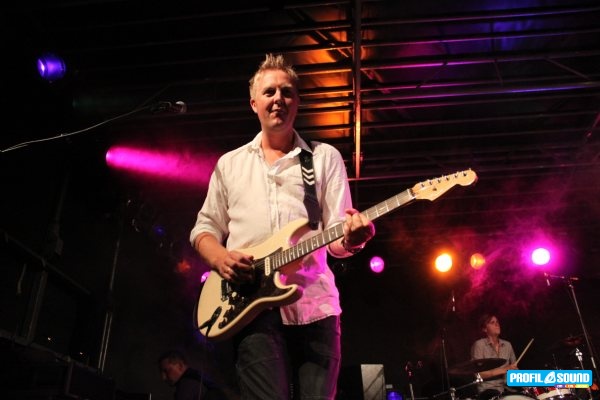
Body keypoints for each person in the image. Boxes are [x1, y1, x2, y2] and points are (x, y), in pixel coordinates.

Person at [189, 53, 376, 400]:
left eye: (287, 92)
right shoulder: (230, 164)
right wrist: (220, 258)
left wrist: (353, 239)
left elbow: (337, 238)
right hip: (251, 308)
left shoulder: (323, 158)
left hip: (315, 305)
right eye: (270, 92)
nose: (279, 98)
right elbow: (204, 228)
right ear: (254, 103)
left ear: (297, 102)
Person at [470, 314, 518, 400]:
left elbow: (515, 369)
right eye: (492, 322)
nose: (497, 324)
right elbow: (479, 375)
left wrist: (527, 384)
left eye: (497, 322)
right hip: (488, 391)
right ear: (484, 329)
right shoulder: (479, 345)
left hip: (506, 389)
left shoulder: (507, 345)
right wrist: (504, 369)